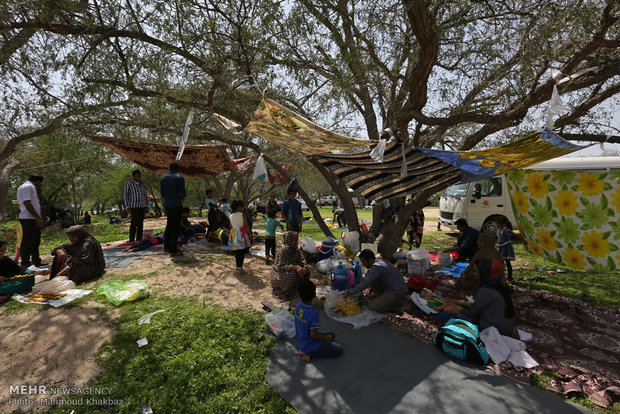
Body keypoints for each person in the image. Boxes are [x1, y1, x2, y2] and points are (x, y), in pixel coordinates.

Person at [459, 259, 516, 336]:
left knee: (458, 317)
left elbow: (472, 313)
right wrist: (459, 303)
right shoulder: (498, 285)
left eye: (477, 272)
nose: (474, 274)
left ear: (484, 272)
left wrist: (458, 308)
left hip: (498, 329)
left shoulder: (486, 290)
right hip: (507, 326)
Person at [343, 249, 408, 313]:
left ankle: (398, 303)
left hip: (397, 291)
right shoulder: (378, 261)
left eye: (364, 262)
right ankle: (384, 298)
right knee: (368, 274)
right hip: (392, 287)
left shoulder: (377, 267)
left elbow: (365, 283)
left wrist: (349, 292)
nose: (363, 265)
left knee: (372, 307)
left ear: (370, 260)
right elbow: (367, 279)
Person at [295, 279, 343, 362]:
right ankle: (308, 353)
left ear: (299, 295)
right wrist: (326, 339)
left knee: (332, 335)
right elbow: (313, 335)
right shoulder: (313, 313)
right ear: (314, 295)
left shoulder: (299, 305)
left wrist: (326, 337)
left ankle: (306, 349)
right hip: (309, 344)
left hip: (302, 339)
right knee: (339, 350)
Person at [270, 231, 311, 302]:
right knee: (292, 275)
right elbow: (280, 266)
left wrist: (304, 265)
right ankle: (286, 291)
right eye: (295, 240)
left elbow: (301, 258)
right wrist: (295, 267)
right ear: (289, 240)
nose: (296, 242)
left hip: (291, 268)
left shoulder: (295, 248)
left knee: (306, 270)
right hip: (280, 272)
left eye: (296, 240)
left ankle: (301, 288)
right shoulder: (284, 250)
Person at [17, 175, 46, 267]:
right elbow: (27, 203)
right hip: (29, 218)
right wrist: (37, 217)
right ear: (38, 181)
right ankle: (25, 262)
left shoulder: (26, 187)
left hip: (31, 218)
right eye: (39, 183)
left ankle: (36, 260)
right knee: (28, 241)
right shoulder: (28, 187)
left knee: (35, 240)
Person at [160, 162, 186, 256]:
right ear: (178, 169)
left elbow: (162, 193)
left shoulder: (163, 178)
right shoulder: (179, 178)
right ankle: (173, 249)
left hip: (168, 204)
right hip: (176, 204)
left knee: (169, 224)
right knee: (175, 226)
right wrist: (181, 202)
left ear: (169, 168)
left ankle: (166, 246)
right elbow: (182, 194)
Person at [124, 170, 149, 242]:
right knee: (134, 223)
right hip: (133, 206)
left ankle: (139, 239)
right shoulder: (128, 184)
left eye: (140, 176)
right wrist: (127, 207)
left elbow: (145, 195)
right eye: (137, 176)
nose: (139, 177)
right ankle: (131, 239)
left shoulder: (142, 184)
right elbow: (126, 196)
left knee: (140, 223)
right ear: (134, 176)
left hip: (142, 206)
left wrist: (146, 206)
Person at [228, 200, 252, 273]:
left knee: (237, 251)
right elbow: (246, 225)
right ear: (239, 207)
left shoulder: (230, 215)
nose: (243, 208)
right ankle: (239, 267)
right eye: (242, 207)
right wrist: (249, 234)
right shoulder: (242, 214)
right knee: (241, 252)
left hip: (234, 234)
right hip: (241, 234)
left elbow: (230, 227)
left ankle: (237, 266)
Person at [495, 215, 515, 282]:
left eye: (498, 224)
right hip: (500, 248)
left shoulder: (506, 230)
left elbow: (514, 234)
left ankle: (510, 277)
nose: (497, 225)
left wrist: (523, 239)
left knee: (507, 262)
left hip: (506, 248)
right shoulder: (499, 230)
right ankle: (500, 276)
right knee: (500, 262)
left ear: (504, 224)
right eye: (496, 224)